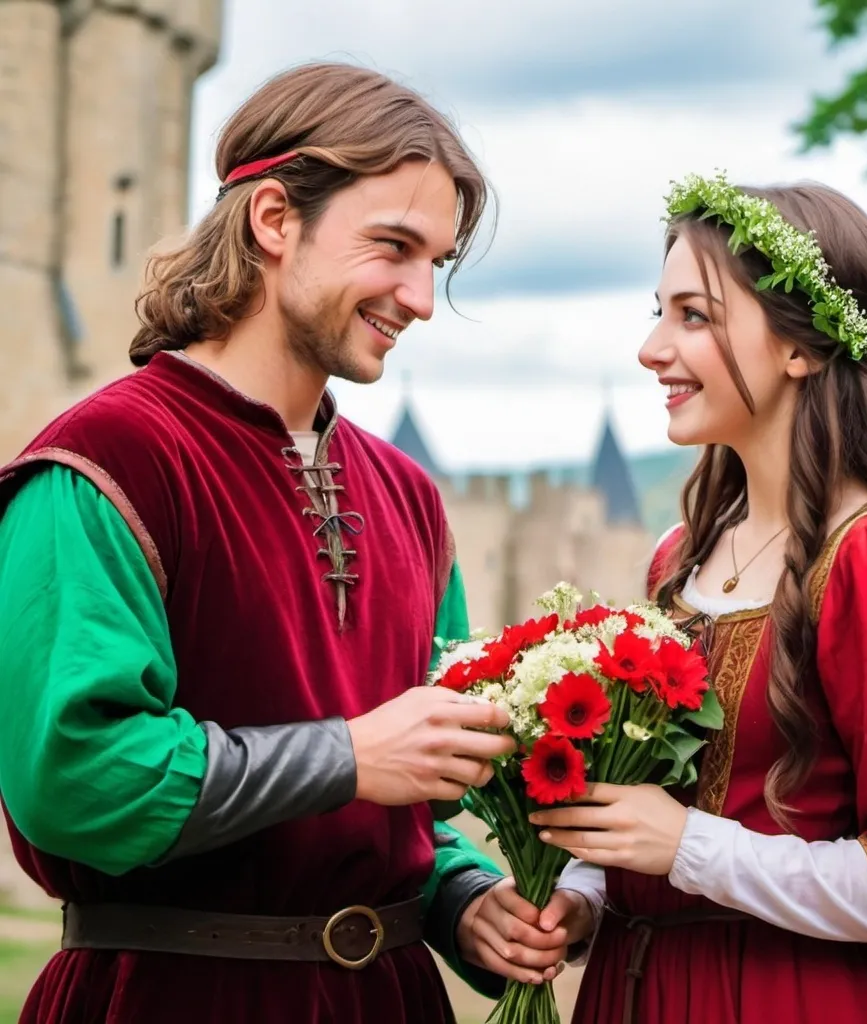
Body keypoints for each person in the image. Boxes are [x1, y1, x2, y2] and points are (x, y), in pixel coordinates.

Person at [0, 63, 568, 1023]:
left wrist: (463, 900)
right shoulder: (105, 464)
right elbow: (75, 779)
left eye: (438, 262)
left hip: (390, 1001)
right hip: (168, 995)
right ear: (273, 219)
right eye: (393, 246)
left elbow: (418, 807)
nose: (421, 298)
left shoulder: (413, 500)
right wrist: (344, 756)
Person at [514, 174, 867, 1023]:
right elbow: (663, 810)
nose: (651, 349)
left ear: (801, 348)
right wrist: (584, 891)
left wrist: (689, 850)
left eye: (694, 316)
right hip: (635, 991)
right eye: (658, 310)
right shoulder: (678, 560)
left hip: (790, 999)